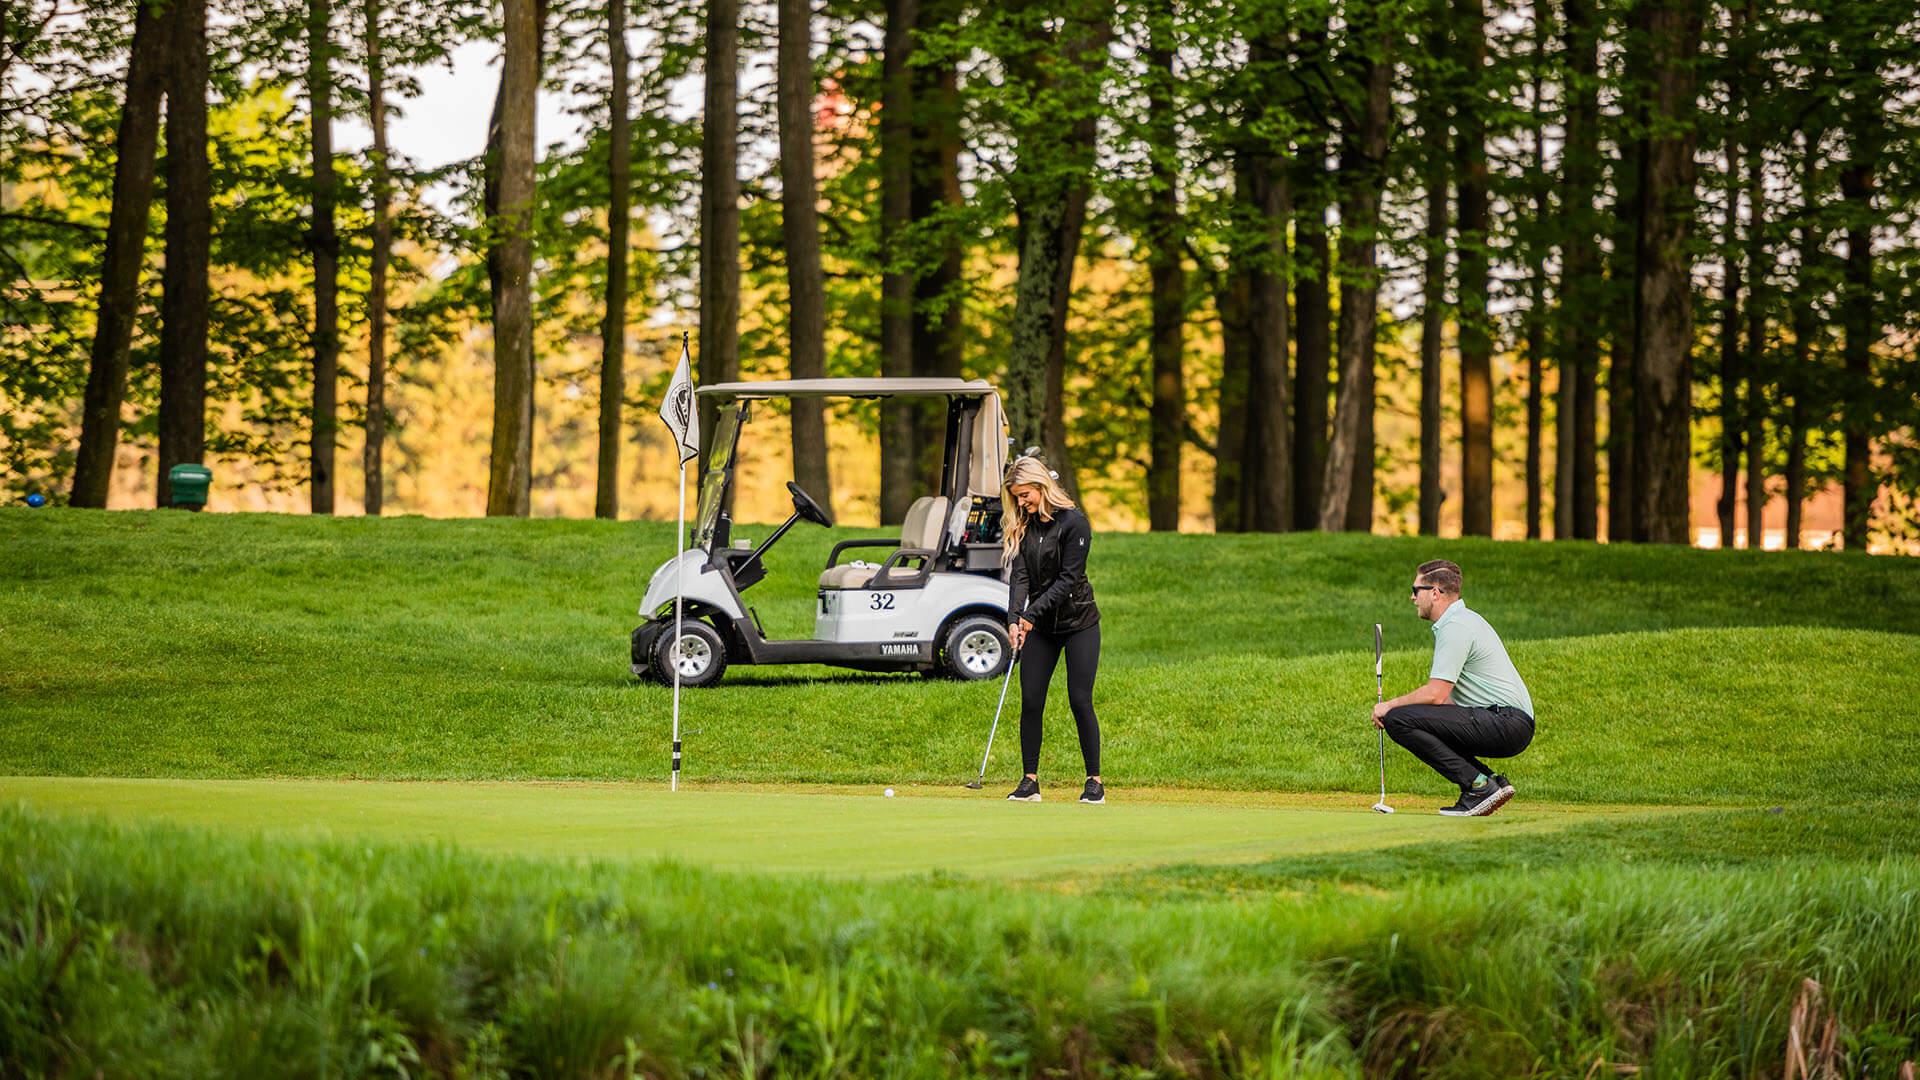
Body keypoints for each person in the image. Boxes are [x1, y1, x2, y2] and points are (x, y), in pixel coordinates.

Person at [1374, 559, 1535, 817]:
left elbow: (1436, 695)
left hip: (1507, 722)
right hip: (1506, 721)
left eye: (1416, 590)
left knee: (1398, 719)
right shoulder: (1461, 620)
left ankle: (1479, 787)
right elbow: (1446, 703)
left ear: (1435, 593)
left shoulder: (1456, 626)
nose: (1412, 597)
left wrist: (1388, 706)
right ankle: (1489, 781)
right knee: (1413, 718)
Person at [1001, 454, 1104, 804]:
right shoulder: (1025, 525)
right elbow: (1021, 575)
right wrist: (1014, 618)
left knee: (1079, 699)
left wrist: (1030, 615)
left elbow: (1068, 580)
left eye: (1025, 494)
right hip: (1041, 627)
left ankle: (1094, 781)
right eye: (1016, 497)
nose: (1021, 502)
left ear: (1041, 486)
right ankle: (1030, 781)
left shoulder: (1075, 523)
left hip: (1079, 623)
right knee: (1031, 700)